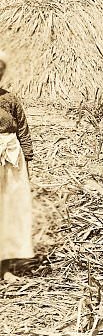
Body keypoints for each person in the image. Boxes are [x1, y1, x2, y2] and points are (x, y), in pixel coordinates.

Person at [0, 49, 32, 282]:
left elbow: (23, 129)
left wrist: (27, 159)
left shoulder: (10, 99)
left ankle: (6, 266)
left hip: (12, 159)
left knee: (10, 209)